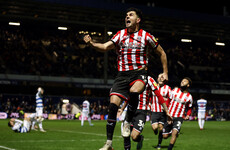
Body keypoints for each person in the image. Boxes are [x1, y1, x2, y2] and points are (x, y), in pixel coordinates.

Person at [83, 7, 168, 150]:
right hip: (122, 76)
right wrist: (91, 43)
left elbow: (162, 53)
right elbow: (104, 47)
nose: (127, 17)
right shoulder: (120, 34)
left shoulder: (146, 36)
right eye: (126, 15)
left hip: (139, 73)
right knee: (112, 106)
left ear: (138, 20)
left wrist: (165, 72)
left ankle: (128, 121)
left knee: (134, 92)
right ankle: (109, 143)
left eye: (130, 15)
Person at [118, 76, 172, 150]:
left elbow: (159, 96)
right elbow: (129, 96)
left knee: (134, 137)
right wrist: (122, 108)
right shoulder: (131, 77)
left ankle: (140, 139)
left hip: (141, 111)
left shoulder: (149, 79)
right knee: (126, 134)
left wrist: (167, 111)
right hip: (130, 110)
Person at [163, 77, 193, 150]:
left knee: (175, 133)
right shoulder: (175, 90)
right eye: (182, 80)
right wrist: (165, 108)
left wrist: (188, 115)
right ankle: (172, 132)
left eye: (184, 81)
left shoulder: (189, 97)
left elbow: (189, 108)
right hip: (170, 115)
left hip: (179, 117)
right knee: (165, 136)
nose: (182, 82)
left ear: (188, 85)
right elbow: (168, 100)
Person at [150, 73, 172, 149]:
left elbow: (170, 98)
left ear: (164, 80)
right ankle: (155, 130)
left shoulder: (168, 88)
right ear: (157, 78)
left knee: (161, 128)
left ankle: (159, 144)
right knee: (155, 128)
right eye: (159, 77)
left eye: (162, 77)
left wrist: (166, 103)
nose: (161, 78)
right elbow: (149, 96)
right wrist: (149, 104)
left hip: (163, 112)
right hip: (154, 110)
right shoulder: (153, 87)